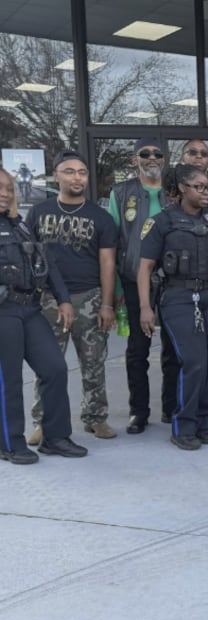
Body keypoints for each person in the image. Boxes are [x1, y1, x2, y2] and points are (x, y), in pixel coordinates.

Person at [137, 164, 208, 450]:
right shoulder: (162, 222)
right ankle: (183, 425)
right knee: (193, 361)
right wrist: (146, 308)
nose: (206, 192)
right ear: (182, 188)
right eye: (200, 187)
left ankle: (203, 423)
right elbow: (144, 269)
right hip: (178, 298)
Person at [27, 151, 118, 445]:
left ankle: (96, 418)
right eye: (69, 171)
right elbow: (29, 257)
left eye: (82, 172)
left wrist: (106, 303)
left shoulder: (101, 217)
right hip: (48, 300)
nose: (77, 177)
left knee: (94, 363)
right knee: (49, 365)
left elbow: (107, 264)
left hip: (89, 297)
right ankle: (44, 421)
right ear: (56, 176)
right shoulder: (38, 213)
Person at [0, 168, 87, 463]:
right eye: (0, 188)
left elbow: (47, 264)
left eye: (9, 189)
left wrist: (64, 300)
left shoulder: (20, 226)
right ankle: (9, 443)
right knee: (8, 380)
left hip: (30, 308)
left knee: (54, 369)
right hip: (3, 312)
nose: (5, 194)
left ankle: (56, 437)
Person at [108, 136, 179, 434]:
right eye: (144, 153)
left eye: (157, 154)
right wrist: (118, 291)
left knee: (173, 350)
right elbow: (110, 245)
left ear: (164, 159)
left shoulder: (175, 191)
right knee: (138, 350)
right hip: (133, 281)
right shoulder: (121, 192)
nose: (152, 158)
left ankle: (171, 406)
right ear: (134, 159)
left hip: (173, 281)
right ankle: (139, 411)